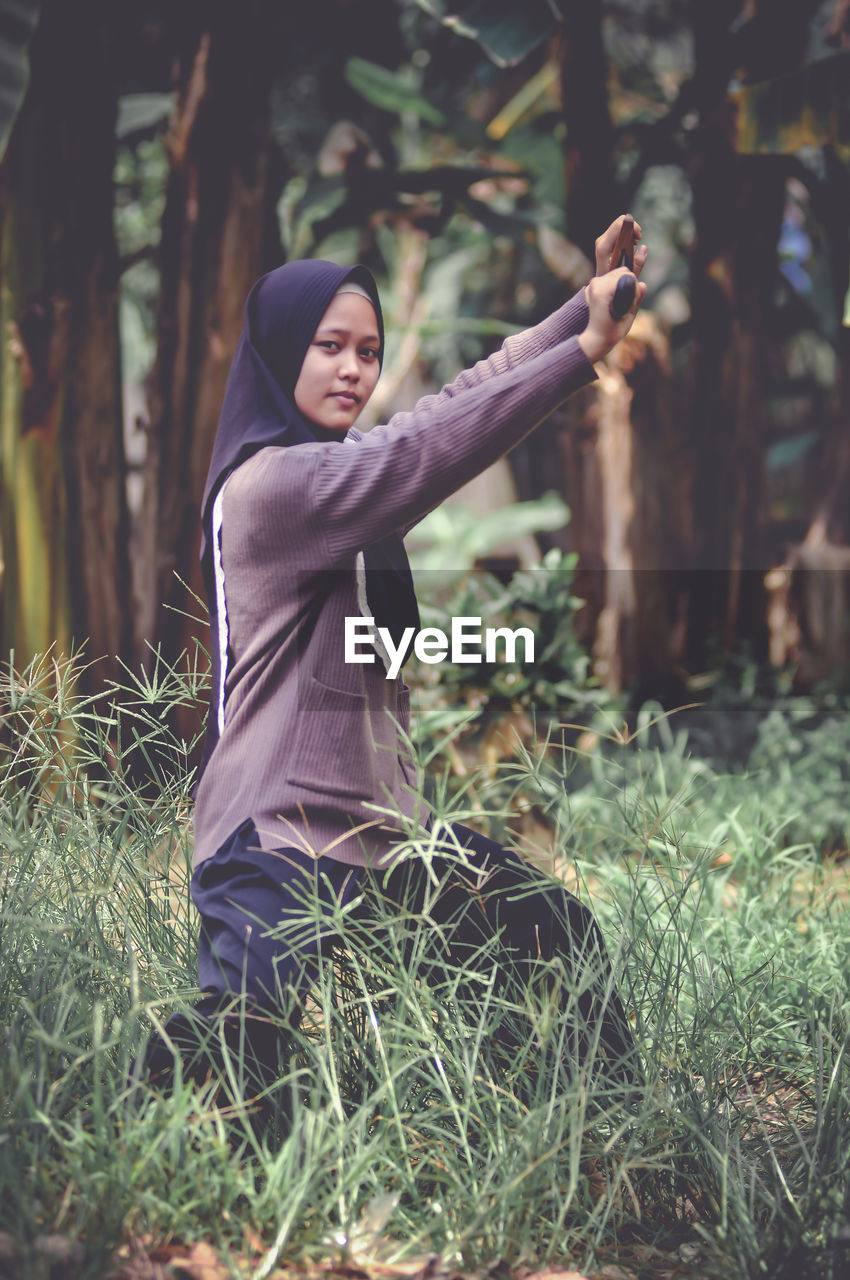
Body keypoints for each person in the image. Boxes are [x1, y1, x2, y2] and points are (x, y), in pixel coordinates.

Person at [141, 215, 649, 1105]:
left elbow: (460, 395)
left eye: (368, 350)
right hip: (274, 838)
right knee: (241, 1054)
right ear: (276, 352)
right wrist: (583, 357)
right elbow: (428, 448)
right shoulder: (276, 487)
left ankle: (592, 1137)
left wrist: (582, 311)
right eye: (328, 346)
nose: (353, 369)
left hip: (384, 835)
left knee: (545, 926)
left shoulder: (335, 471)